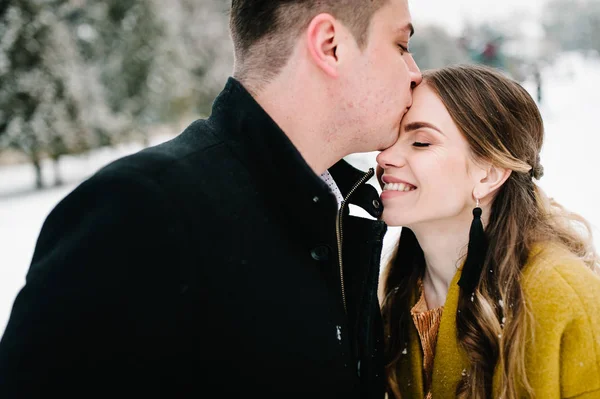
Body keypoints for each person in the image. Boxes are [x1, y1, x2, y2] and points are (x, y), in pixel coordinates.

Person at [0, 0, 422, 398]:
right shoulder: (140, 211)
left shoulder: (334, 208)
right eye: (401, 45)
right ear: (330, 45)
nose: (415, 72)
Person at [376, 64, 600, 399]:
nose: (385, 156)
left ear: (489, 174)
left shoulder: (564, 297)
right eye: (392, 138)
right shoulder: (394, 288)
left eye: (421, 142)